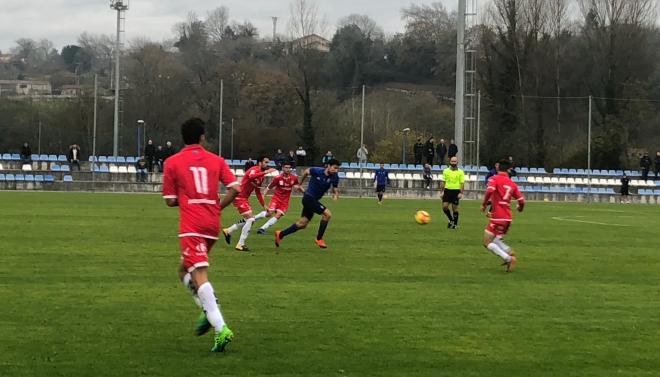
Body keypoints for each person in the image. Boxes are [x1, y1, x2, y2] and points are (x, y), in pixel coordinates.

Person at [162, 117, 240, 352]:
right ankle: (206, 309)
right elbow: (236, 188)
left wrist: (185, 198)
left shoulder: (172, 162)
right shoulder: (216, 160)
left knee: (199, 273)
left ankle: (220, 327)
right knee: (183, 269)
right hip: (212, 224)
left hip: (192, 224)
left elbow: (170, 200)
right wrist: (216, 207)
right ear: (202, 137)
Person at [275, 159, 341, 249]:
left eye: (337, 169)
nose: (336, 170)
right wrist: (299, 184)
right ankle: (319, 239)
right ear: (328, 166)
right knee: (327, 214)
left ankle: (281, 234)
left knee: (302, 224)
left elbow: (335, 188)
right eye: (334, 168)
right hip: (308, 198)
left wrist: (335, 195)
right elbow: (306, 171)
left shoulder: (335, 177)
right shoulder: (317, 171)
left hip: (313, 200)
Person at [222, 156, 277, 252]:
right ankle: (240, 244)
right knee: (251, 219)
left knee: (249, 219)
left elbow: (258, 192)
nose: (267, 164)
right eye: (265, 162)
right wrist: (266, 172)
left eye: (268, 163)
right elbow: (251, 176)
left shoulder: (261, 177)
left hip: (244, 198)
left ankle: (229, 230)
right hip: (238, 196)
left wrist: (264, 205)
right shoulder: (253, 170)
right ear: (260, 163)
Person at [480, 159, 525, 273]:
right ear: (508, 169)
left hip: (497, 217)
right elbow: (521, 200)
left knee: (487, 242)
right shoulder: (512, 183)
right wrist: (520, 208)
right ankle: (509, 252)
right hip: (508, 218)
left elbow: (489, 191)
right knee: (496, 239)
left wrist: (484, 204)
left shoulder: (494, 179)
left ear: (498, 167)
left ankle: (509, 258)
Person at [254, 162, 304, 234]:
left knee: (278, 215)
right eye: (286, 167)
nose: (287, 169)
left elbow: (298, 186)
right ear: (283, 168)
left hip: (285, 202)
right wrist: (263, 196)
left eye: (289, 168)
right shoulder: (278, 178)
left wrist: (305, 193)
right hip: (276, 199)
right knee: (269, 213)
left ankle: (262, 228)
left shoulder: (294, 178)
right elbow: (268, 188)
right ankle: (253, 219)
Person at [439, 156, 465, 229]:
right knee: (444, 207)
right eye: (452, 161)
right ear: (450, 162)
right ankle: (451, 219)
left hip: (456, 191)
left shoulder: (460, 172)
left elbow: (462, 183)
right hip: (447, 190)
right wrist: (441, 192)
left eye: (455, 161)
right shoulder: (445, 171)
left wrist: (461, 193)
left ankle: (455, 225)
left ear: (457, 162)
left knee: (454, 208)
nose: (453, 163)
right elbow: (443, 182)